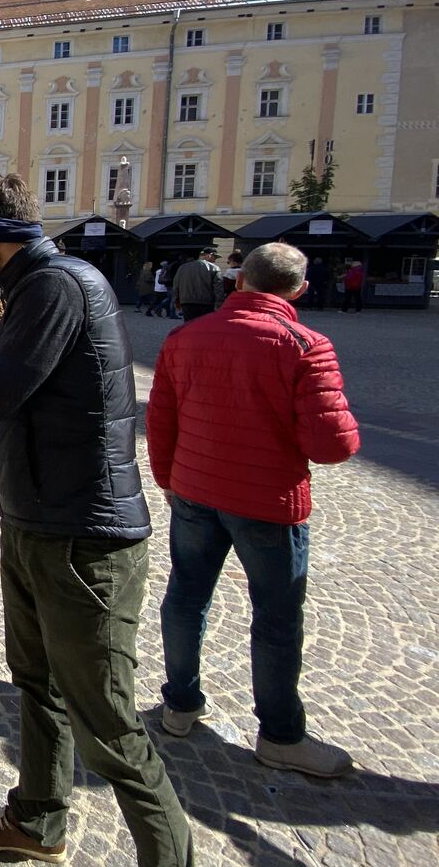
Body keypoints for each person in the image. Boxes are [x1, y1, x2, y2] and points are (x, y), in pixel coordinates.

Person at [0, 175, 193, 867]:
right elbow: (29, 387)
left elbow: (1, 399)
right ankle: (37, 819)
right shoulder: (27, 290)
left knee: (108, 725)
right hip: (36, 521)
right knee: (37, 682)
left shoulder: (55, 285)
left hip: (84, 538)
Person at [147, 243, 360, 778]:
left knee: (187, 595)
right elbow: (332, 444)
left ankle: (179, 703)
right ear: (299, 289)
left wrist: (169, 478)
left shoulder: (184, 337)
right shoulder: (306, 345)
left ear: (238, 281)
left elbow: (160, 418)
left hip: (195, 488)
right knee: (276, 616)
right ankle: (281, 735)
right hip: (266, 500)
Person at [171, 245, 226, 320]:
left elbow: (176, 286)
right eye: (214, 257)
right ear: (209, 255)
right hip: (207, 303)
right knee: (203, 326)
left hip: (187, 302)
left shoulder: (183, 267)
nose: (215, 260)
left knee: (189, 325)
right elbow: (219, 289)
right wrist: (219, 305)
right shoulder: (214, 268)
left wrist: (176, 300)